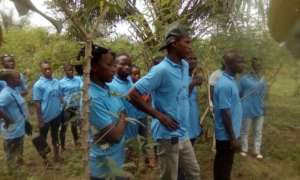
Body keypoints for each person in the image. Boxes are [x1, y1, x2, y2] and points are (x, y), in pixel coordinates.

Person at [129, 25, 201, 180]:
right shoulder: (161, 70)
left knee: (193, 173)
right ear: (174, 43)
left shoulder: (185, 65)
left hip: (183, 131)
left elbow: (180, 93)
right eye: (187, 42)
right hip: (168, 135)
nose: (190, 47)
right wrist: (159, 116)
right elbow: (133, 94)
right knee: (169, 177)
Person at [87, 45, 129, 180]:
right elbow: (114, 136)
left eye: (114, 64)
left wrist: (120, 120)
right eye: (109, 65)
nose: (114, 69)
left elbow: (122, 113)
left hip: (117, 158)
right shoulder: (92, 98)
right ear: (94, 67)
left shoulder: (110, 88)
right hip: (103, 168)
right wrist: (122, 117)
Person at [213, 50, 244, 180]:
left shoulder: (230, 81)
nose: (243, 65)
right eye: (240, 62)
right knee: (224, 168)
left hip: (229, 135)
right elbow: (225, 113)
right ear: (229, 64)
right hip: (226, 137)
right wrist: (233, 138)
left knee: (224, 165)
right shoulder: (225, 84)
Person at [32, 61, 63, 163]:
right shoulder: (38, 85)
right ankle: (45, 159)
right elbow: (37, 103)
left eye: (49, 68)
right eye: (45, 69)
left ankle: (57, 156)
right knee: (43, 138)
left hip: (56, 115)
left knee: (55, 136)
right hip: (45, 117)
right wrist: (40, 120)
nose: (48, 70)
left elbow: (60, 96)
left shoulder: (56, 81)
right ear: (41, 71)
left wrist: (64, 104)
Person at [0, 69, 27, 174]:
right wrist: (8, 119)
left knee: (18, 151)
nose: (20, 80)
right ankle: (12, 173)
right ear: (10, 80)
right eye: (18, 78)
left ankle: (18, 170)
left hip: (19, 128)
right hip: (11, 131)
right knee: (10, 153)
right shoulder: (5, 94)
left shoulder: (15, 90)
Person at [239, 58, 267, 159]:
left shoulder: (263, 79)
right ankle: (244, 149)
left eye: (260, 64)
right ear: (252, 65)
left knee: (258, 131)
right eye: (256, 64)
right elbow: (239, 93)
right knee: (245, 130)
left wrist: (264, 106)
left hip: (259, 109)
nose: (258, 66)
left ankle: (256, 151)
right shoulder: (244, 79)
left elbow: (264, 95)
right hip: (247, 108)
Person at [59, 64, 82, 150]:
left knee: (74, 125)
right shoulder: (61, 82)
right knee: (64, 127)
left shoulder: (78, 79)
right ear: (64, 72)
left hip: (77, 106)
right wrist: (64, 103)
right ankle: (62, 146)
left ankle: (76, 142)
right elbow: (60, 95)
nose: (71, 72)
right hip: (67, 108)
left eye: (72, 70)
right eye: (68, 70)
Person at [187, 54, 202, 145]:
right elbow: (182, 97)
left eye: (194, 58)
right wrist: (192, 84)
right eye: (189, 58)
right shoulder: (180, 76)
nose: (193, 61)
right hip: (184, 121)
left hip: (192, 119)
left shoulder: (192, 77)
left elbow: (193, 100)